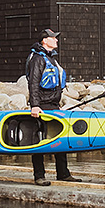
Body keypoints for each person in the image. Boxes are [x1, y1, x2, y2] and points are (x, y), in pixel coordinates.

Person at [26, 28, 80, 186]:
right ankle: (39, 176)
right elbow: (33, 84)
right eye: (53, 38)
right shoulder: (38, 59)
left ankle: (63, 173)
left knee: (60, 138)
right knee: (40, 139)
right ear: (45, 40)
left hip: (54, 105)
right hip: (43, 105)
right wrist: (35, 106)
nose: (56, 40)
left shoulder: (51, 58)